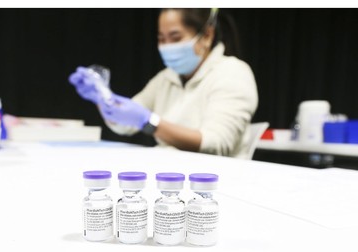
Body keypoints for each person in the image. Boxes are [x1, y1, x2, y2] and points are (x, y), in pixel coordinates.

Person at [69, 8, 258, 158]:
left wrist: (151, 122)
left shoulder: (233, 73)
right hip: (170, 174)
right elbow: (126, 124)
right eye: (161, 39)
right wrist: (102, 98)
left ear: (207, 35)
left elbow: (215, 144)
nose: (167, 46)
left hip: (216, 183)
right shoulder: (166, 78)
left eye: (176, 38)